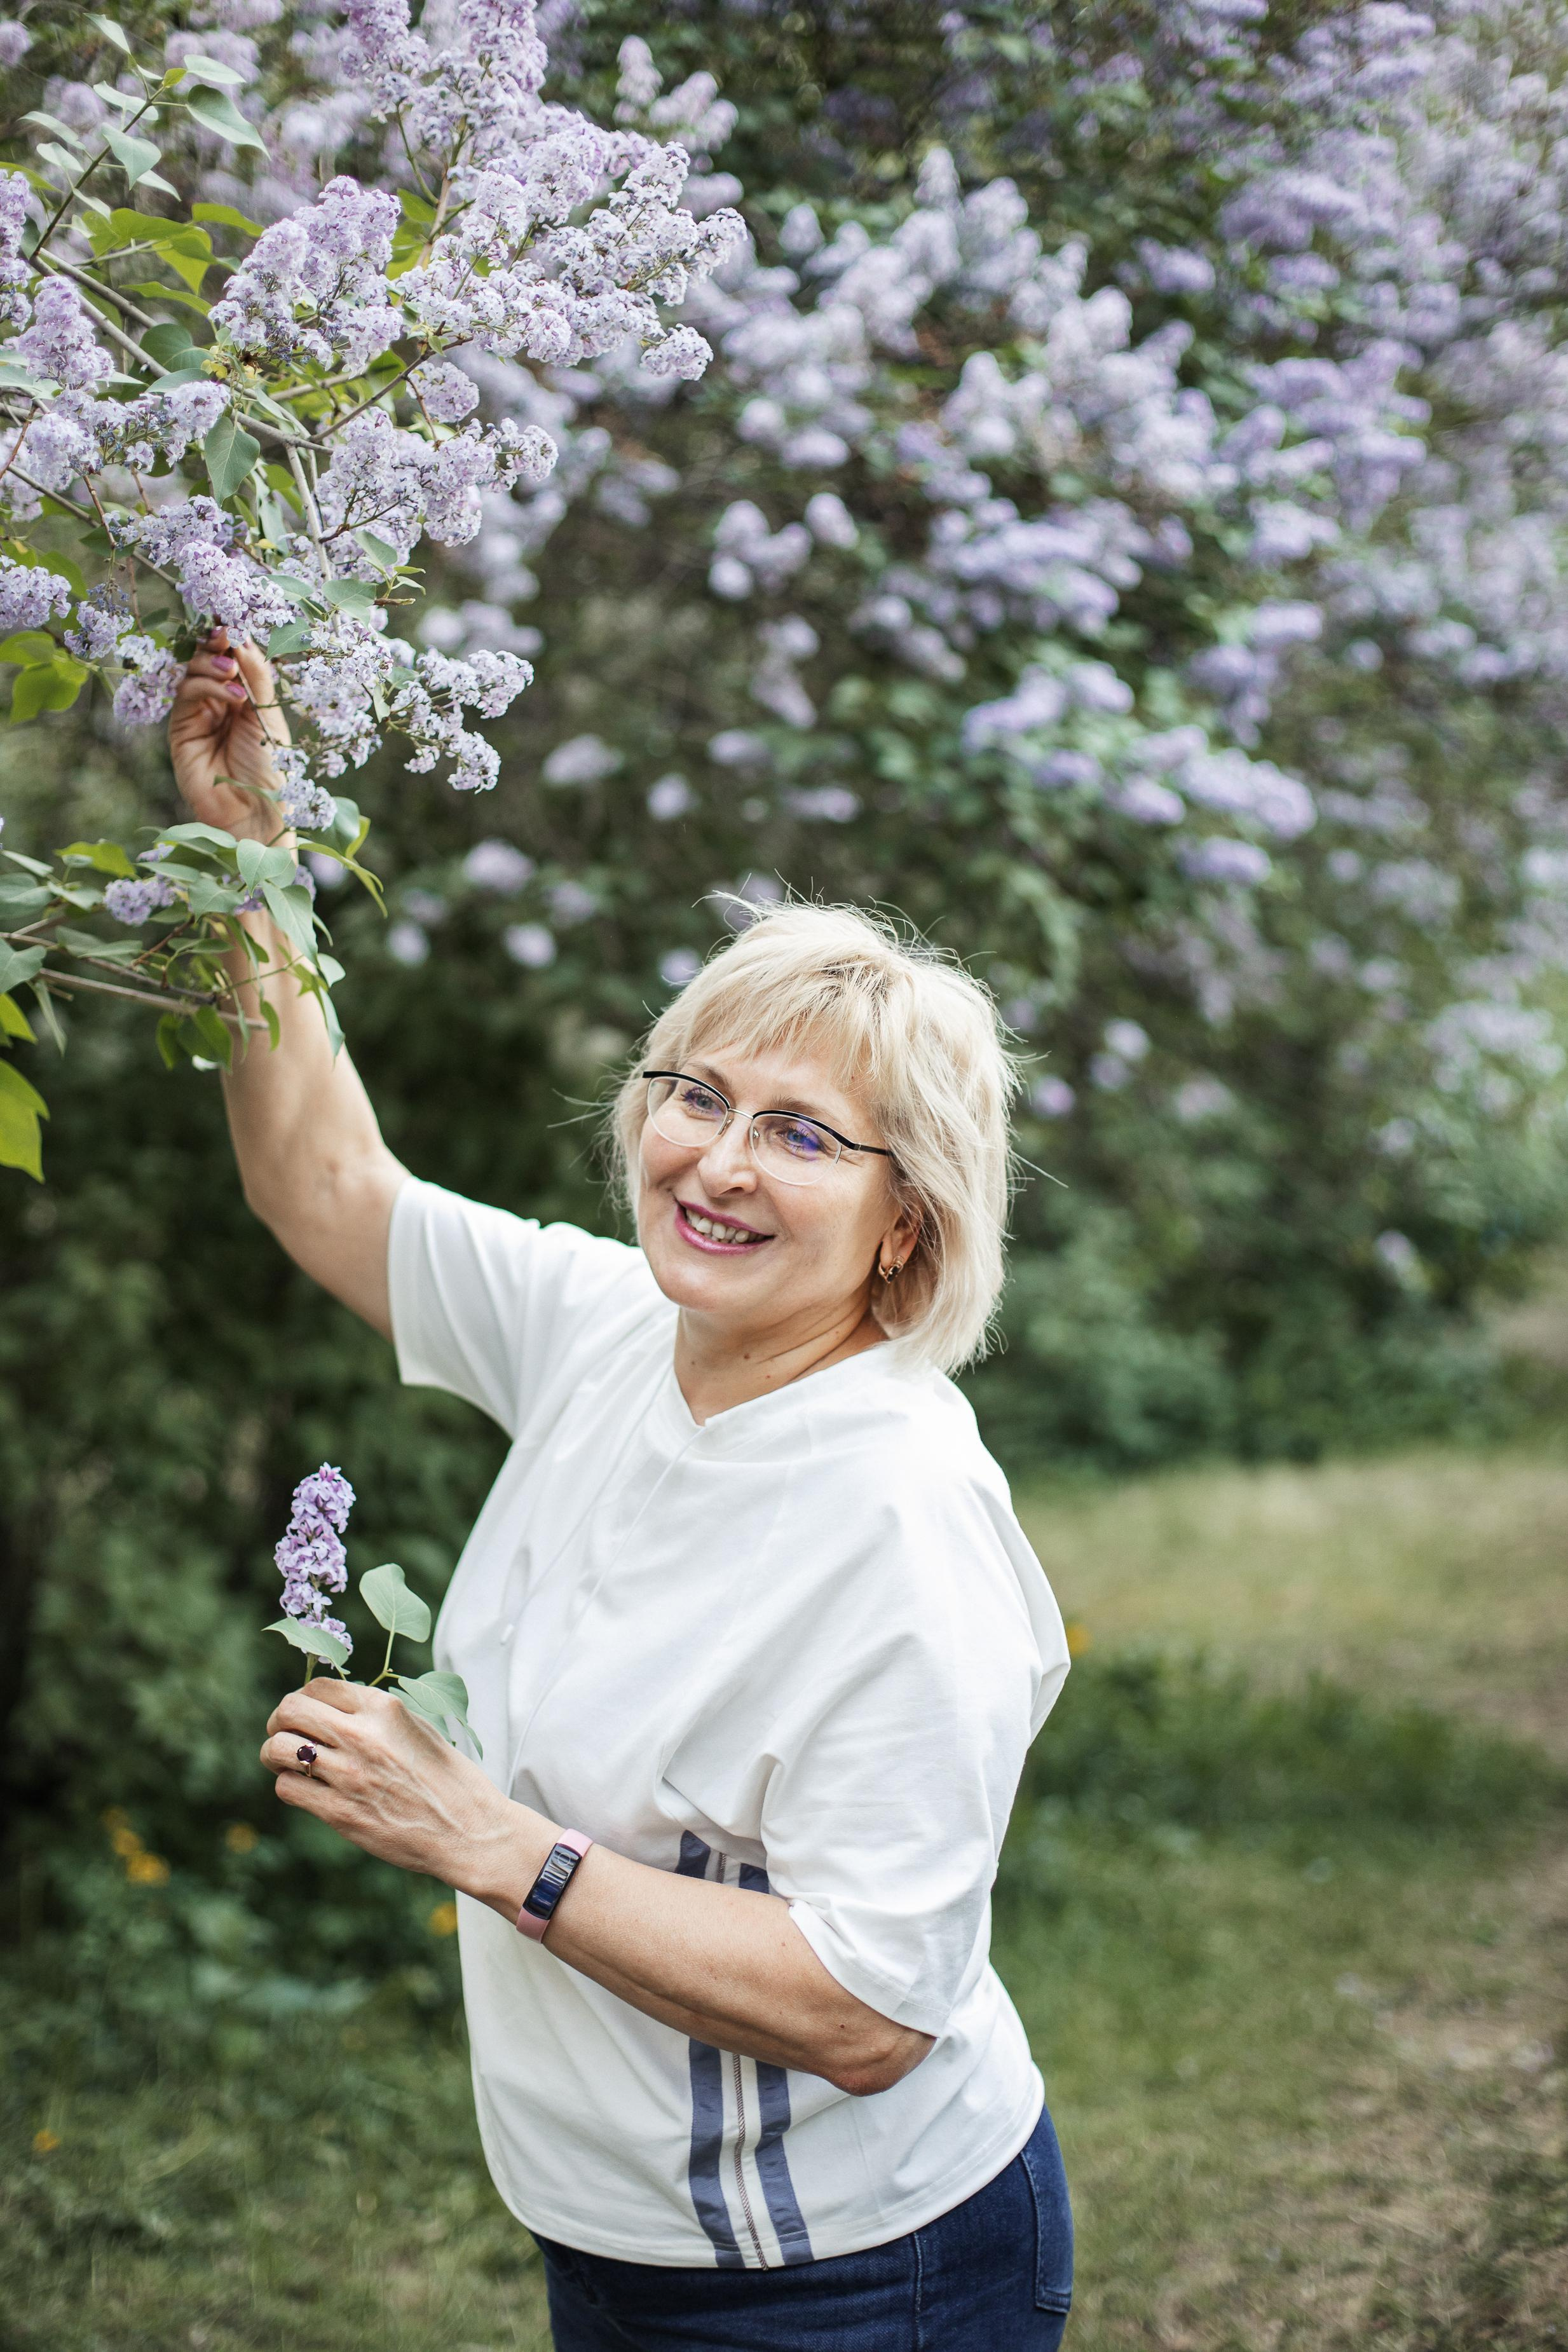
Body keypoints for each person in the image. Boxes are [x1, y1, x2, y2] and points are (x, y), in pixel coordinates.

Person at [168, 634, 1076, 2352]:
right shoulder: (609, 1320)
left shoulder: (899, 1519)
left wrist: (492, 1844)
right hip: (611, 2234)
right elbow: (322, 1182)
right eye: (696, 1092)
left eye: (803, 1132)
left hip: (842, 2275)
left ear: (909, 1219)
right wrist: (248, 858)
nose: (718, 1161)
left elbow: (875, 2004)